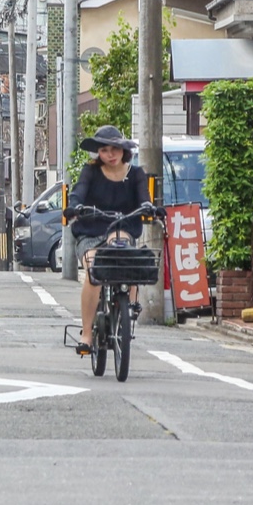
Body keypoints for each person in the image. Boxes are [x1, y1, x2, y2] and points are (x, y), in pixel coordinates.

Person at [65, 125, 152, 355]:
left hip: (121, 227)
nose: (110, 154)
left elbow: (144, 198)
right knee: (94, 269)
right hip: (91, 231)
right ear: (98, 153)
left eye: (115, 149)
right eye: (104, 150)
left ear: (124, 150)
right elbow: (78, 192)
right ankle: (86, 333)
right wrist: (74, 207)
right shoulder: (90, 172)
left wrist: (149, 207)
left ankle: (129, 304)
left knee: (122, 246)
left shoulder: (136, 174)